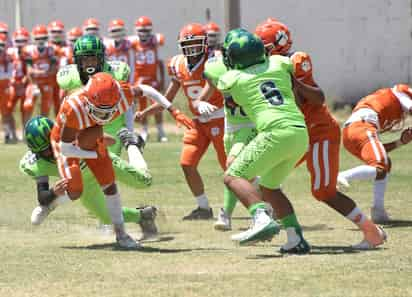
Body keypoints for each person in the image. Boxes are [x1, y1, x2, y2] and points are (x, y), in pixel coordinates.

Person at [254, 19, 387, 249]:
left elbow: (318, 98)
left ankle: (372, 232)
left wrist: (293, 81)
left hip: (318, 132)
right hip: (292, 133)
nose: (261, 54)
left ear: (280, 44)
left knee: (324, 191)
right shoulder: (264, 68)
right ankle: (286, 232)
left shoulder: (296, 60)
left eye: (265, 48)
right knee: (265, 180)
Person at [44, 72, 192, 248]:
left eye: (109, 110)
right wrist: (95, 154)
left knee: (127, 183)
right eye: (100, 110)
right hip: (72, 146)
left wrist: (173, 110)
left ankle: (121, 234)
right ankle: (50, 203)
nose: (105, 116)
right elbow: (66, 148)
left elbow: (146, 89)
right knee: (85, 198)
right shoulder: (74, 107)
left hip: (96, 141)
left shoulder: (121, 93)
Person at [217, 29, 311, 253]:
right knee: (270, 187)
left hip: (274, 132)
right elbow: (291, 63)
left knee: (232, 175)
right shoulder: (278, 63)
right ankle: (295, 238)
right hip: (299, 132)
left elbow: (223, 81)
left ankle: (260, 217)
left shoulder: (232, 79)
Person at [138, 23, 226, 220]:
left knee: (230, 168)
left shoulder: (214, 61)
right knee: (187, 163)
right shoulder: (178, 64)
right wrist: (147, 112)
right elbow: (167, 98)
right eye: (189, 45)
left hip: (220, 118)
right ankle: (203, 208)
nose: (193, 50)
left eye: (196, 45)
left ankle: (259, 206)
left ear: (205, 44)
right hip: (197, 121)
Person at [21, 116, 157, 240]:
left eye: (51, 145)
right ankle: (143, 216)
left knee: (144, 181)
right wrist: (53, 192)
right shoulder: (39, 162)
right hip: (83, 183)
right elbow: (42, 198)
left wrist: (98, 140)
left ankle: (132, 144)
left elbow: (108, 139)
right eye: (45, 150)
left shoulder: (70, 136)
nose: (51, 151)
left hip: (100, 163)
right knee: (106, 216)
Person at [338, 84, 412, 223]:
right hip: (361, 126)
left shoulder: (393, 108)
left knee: (384, 163)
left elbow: (380, 152)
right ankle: (342, 176)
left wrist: (400, 142)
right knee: (380, 165)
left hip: (353, 133)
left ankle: (378, 211)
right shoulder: (401, 92)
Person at [131, 16, 167, 142]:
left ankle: (160, 131)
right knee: (141, 107)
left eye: (146, 30)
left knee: (157, 105)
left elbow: (160, 62)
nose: (144, 33)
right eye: (141, 30)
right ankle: (144, 130)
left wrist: (162, 79)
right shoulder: (134, 43)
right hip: (139, 79)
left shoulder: (156, 42)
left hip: (152, 79)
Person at [105, 18, 136, 133]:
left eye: (119, 30)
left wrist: (130, 84)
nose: (117, 34)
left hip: (124, 82)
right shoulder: (106, 46)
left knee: (128, 107)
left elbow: (132, 67)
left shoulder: (129, 46)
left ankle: (130, 133)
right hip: (110, 83)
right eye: (114, 31)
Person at [23, 25, 58, 117]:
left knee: (46, 107)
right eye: (38, 38)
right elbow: (29, 71)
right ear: (34, 38)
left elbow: (53, 69)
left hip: (47, 82)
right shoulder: (29, 50)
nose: (41, 40)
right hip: (34, 82)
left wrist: (38, 72)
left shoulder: (51, 49)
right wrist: (35, 82)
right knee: (28, 106)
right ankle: (26, 129)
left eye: (43, 38)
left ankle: (43, 128)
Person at [7, 27, 31, 135]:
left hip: (25, 84)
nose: (20, 43)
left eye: (23, 40)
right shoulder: (9, 52)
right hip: (11, 83)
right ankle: (11, 133)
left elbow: (31, 69)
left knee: (26, 108)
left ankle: (26, 133)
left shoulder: (29, 52)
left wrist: (26, 79)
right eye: (18, 41)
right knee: (7, 108)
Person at [0, 33, 13, 143]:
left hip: (3, 88)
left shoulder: (7, 57)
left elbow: (9, 74)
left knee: (5, 112)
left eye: (2, 44)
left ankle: (7, 134)